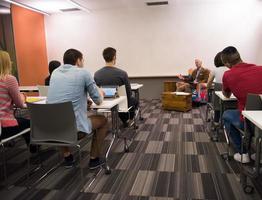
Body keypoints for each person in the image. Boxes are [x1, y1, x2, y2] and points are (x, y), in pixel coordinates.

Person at [47, 49, 108, 169]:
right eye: (83, 59)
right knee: (103, 120)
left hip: (52, 129)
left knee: (60, 117)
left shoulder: (55, 73)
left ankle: (67, 157)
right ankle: (94, 160)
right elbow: (98, 101)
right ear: (78, 60)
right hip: (74, 130)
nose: (83, 62)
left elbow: (65, 96)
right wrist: (100, 92)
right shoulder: (84, 73)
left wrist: (83, 101)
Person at [221, 46, 262, 163]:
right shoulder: (260, 69)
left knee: (227, 115)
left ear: (227, 64)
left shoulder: (228, 74)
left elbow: (227, 95)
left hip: (249, 122)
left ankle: (243, 153)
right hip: (260, 121)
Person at [0, 50, 36, 152]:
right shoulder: (9, 79)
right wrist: (23, 96)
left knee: (22, 121)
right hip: (3, 125)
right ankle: (34, 150)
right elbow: (20, 104)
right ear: (6, 63)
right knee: (30, 122)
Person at [94, 47, 138, 127]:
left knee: (125, 102)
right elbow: (128, 93)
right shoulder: (122, 73)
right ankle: (127, 120)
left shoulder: (97, 74)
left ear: (104, 57)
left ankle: (124, 119)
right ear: (114, 57)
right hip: (120, 104)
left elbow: (96, 91)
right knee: (134, 100)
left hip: (103, 104)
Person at [207, 52, 229, 123]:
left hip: (218, 97)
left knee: (215, 96)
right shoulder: (230, 69)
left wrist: (211, 86)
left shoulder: (214, 70)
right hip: (230, 96)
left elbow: (208, 84)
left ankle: (216, 120)